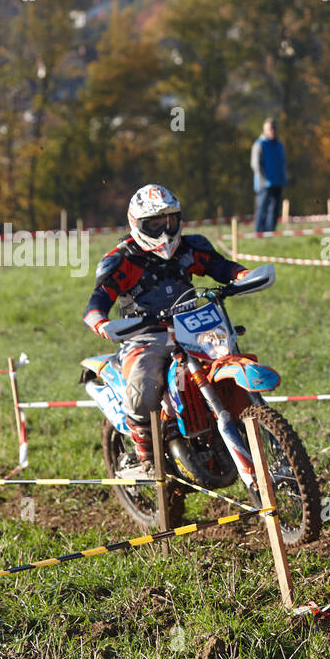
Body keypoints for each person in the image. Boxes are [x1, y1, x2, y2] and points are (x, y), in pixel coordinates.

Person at [83, 184, 251, 478]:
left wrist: (244, 276)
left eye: (169, 221)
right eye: (155, 224)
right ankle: (145, 457)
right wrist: (100, 321)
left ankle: (245, 428)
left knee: (227, 356)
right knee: (145, 382)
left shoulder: (190, 248)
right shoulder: (122, 260)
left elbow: (221, 267)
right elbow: (98, 299)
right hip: (143, 334)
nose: (164, 231)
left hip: (194, 326)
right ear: (137, 224)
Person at [251, 118, 287, 233]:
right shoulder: (259, 144)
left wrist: (283, 178)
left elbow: (282, 163)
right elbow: (255, 164)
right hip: (264, 183)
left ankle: (270, 232)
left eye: (274, 128)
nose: (273, 131)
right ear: (265, 130)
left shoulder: (279, 145)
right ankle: (258, 232)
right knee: (262, 208)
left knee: (275, 209)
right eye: (270, 129)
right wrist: (264, 179)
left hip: (278, 182)